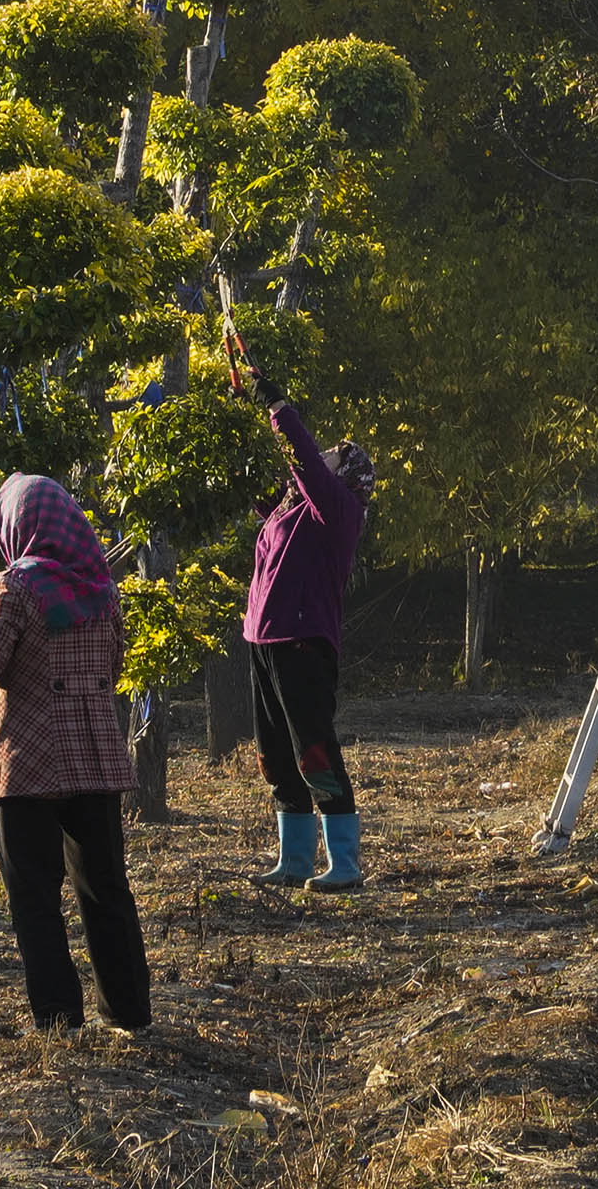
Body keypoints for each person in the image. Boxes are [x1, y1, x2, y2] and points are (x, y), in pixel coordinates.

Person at [0, 472, 151, 1033]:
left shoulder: (16, 586)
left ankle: (59, 1022)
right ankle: (128, 1013)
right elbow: (115, 666)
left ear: (16, 524)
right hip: (96, 761)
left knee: (36, 900)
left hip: (26, 765)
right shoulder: (104, 590)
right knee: (106, 891)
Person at [237, 360, 375, 891]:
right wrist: (248, 426)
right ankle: (293, 859)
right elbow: (266, 480)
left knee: (313, 748)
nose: (324, 455)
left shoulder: (339, 510)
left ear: (345, 475)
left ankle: (345, 862)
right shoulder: (287, 511)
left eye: (334, 455)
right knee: (275, 754)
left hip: (301, 644)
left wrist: (279, 409)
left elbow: (306, 468)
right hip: (263, 640)